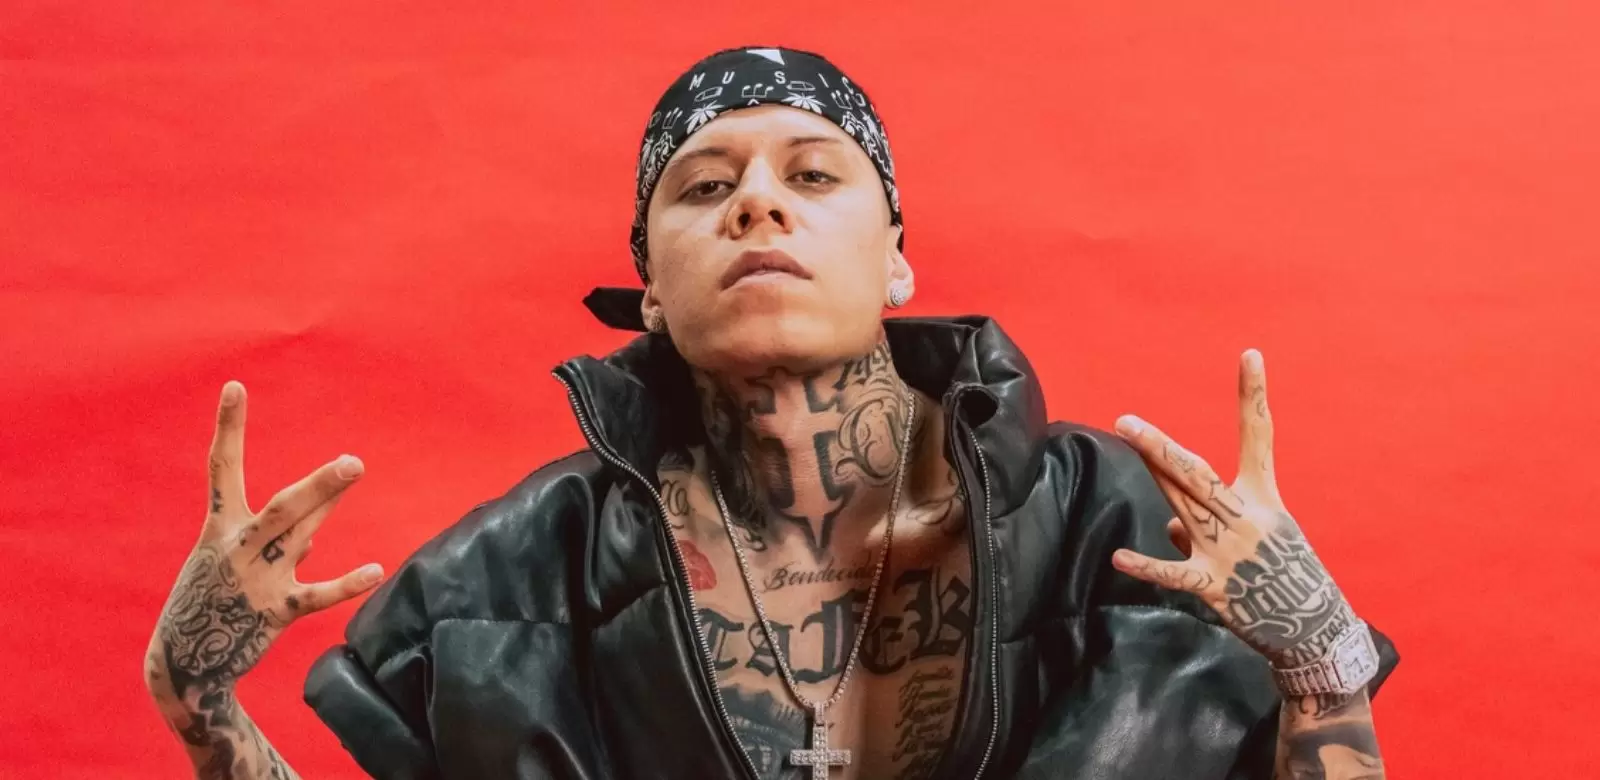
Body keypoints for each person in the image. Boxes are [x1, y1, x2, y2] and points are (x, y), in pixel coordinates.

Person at [143, 46, 1399, 780]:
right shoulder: (505, 577)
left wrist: (1317, 661)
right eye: (703, 188)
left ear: (896, 259)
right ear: (648, 286)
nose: (757, 203)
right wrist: (198, 702)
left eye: (812, 174)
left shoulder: (1113, 527)